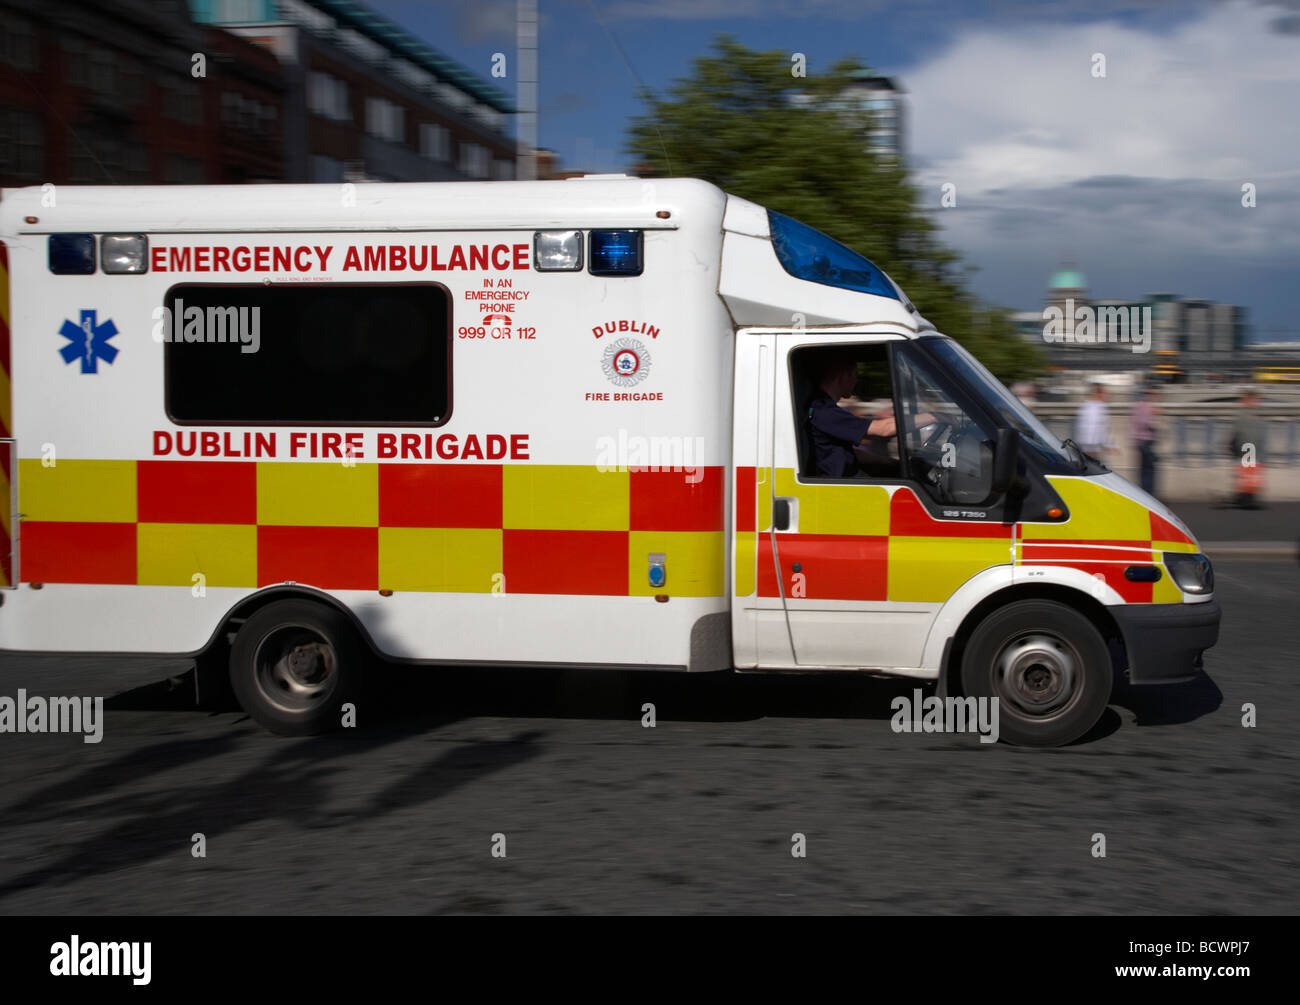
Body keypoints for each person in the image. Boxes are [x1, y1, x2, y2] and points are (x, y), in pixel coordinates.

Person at [807, 356, 899, 478]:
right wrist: (931, 416)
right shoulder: (824, 411)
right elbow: (884, 429)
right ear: (843, 376)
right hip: (841, 486)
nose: (856, 380)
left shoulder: (825, 407)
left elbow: (841, 453)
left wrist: (883, 460)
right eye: (855, 374)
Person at [1226, 387, 1266, 509]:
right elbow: (1244, 434)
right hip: (1248, 448)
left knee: (1247, 475)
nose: (1258, 402)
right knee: (1249, 475)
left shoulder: (1245, 415)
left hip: (1248, 448)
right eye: (1256, 400)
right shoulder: (1248, 415)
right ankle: (1247, 499)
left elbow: (1237, 433)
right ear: (1250, 400)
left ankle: (1245, 498)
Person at [1131, 383, 1159, 495]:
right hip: (1146, 441)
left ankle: (1144, 493)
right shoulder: (1147, 406)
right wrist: (1154, 416)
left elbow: (1134, 424)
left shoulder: (1137, 406)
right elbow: (1146, 423)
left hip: (1140, 442)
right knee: (1149, 470)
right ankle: (1149, 494)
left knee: (1143, 470)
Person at [1074, 382, 1113, 460]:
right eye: (1104, 392)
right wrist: (1108, 445)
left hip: (1094, 448)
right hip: (1090, 448)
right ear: (1097, 394)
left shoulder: (1098, 406)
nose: (1107, 395)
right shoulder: (1091, 408)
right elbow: (1092, 429)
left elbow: (1103, 428)